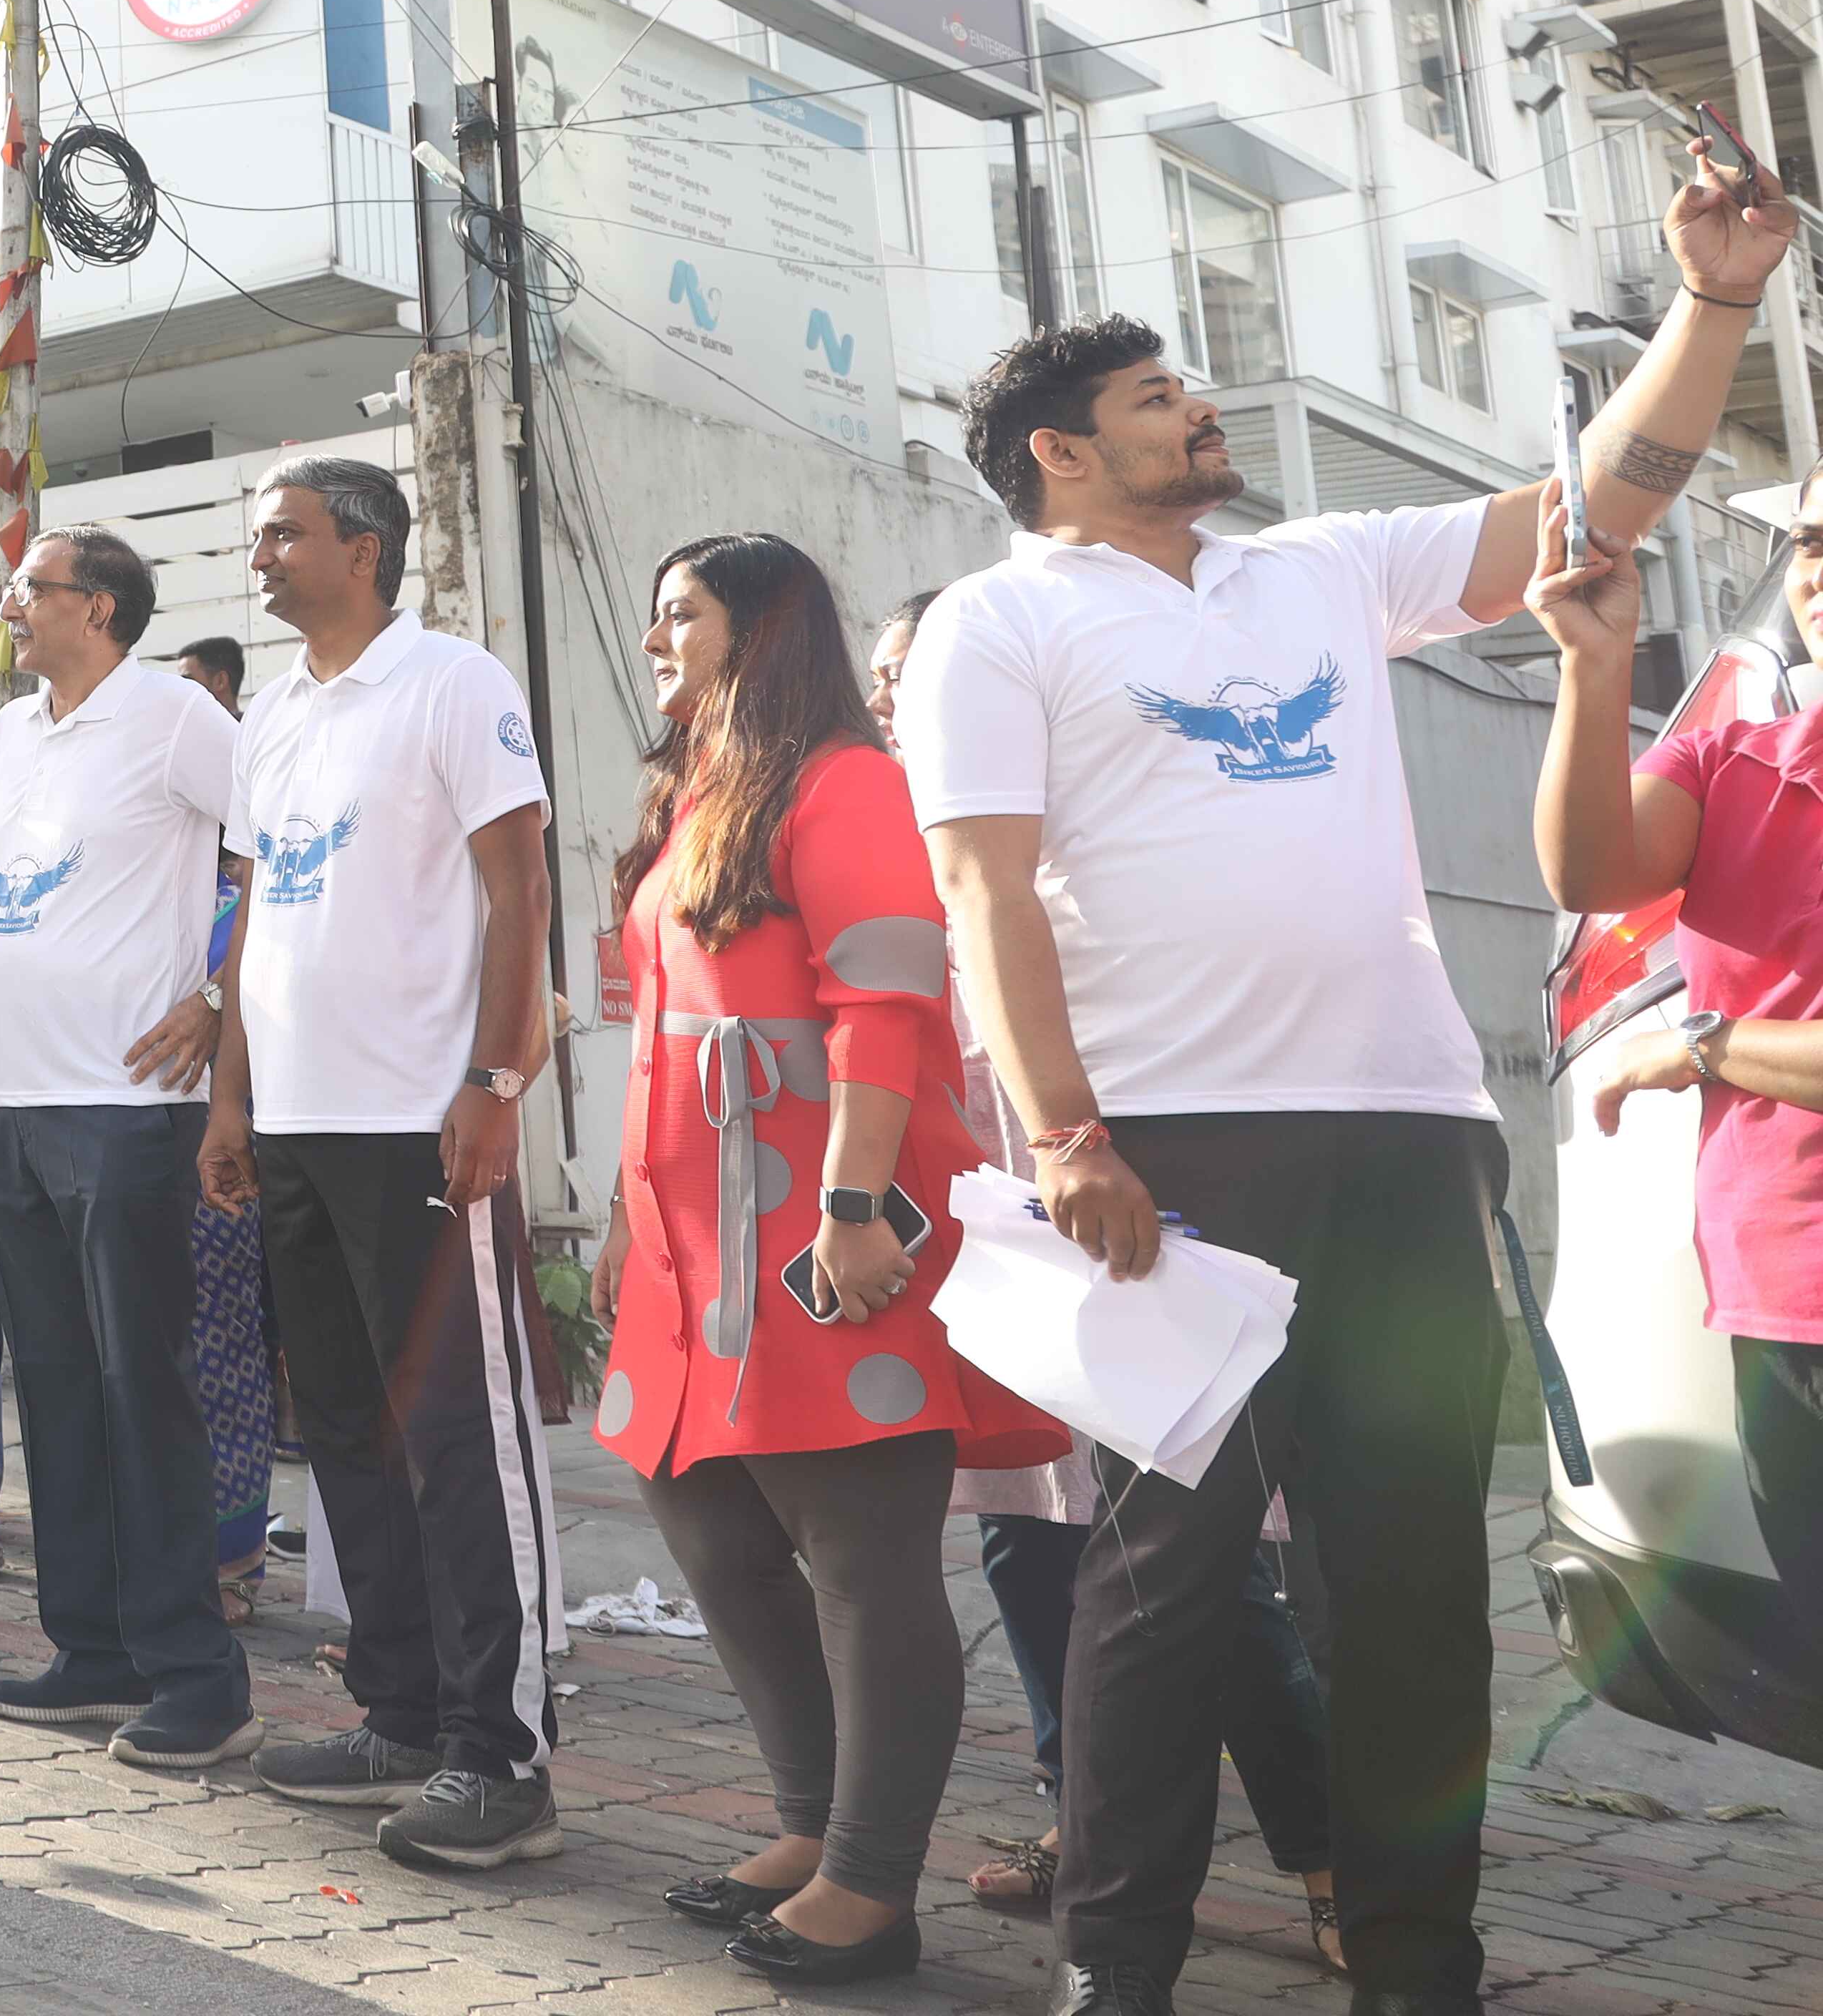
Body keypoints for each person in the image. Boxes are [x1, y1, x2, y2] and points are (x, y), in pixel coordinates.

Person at [903, 160, 1783, 2016]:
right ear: (1060, 455)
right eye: (1156, 398)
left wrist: (1713, 304)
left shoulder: (1318, 572)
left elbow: (1596, 503)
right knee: (1166, 1587)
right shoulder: (1004, 625)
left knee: (1408, 1593)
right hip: (1173, 1156)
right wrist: (1065, 1135)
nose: (1199, 408)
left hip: (1402, 1128)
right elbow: (984, 890)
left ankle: (1416, 1969)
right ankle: (1115, 1972)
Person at [598, 536, 1065, 1987]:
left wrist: (855, 1201)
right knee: (707, 1520)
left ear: (763, 627)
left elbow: (885, 999)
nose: (658, 632)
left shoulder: (845, 781)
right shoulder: (700, 791)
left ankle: (873, 1879)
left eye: (683, 609)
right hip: (690, 1235)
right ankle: (810, 1822)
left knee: (861, 1549)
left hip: (819, 1223)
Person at [877, 592, 1342, 1957]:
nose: (901, 700)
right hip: (1003, 1256)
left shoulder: (1055, 834)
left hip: (1125, 1229)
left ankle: (1331, 1865)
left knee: (1197, 1578)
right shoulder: (898, 846)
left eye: (913, 673)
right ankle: (1086, 1815)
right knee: (1028, 1546)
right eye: (884, 683)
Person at [220, 455, 572, 1875]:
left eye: (283, 532)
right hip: (297, 1126)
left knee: (459, 1443)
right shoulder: (272, 710)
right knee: (351, 1434)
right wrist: (231, 1099)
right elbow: (254, 918)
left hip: (421, 1125)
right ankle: (404, 1712)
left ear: (361, 547)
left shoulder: (450, 681)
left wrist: (496, 1080)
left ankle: (505, 1753)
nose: (262, 553)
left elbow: (521, 887)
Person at [0, 524, 258, 1761]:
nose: (13, 602)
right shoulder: (14, 732)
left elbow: (279, 853)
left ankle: (196, 1676)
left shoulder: (177, 718)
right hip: (16, 1108)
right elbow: (0, 905)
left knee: (141, 1391)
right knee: (54, 1386)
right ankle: (92, 1650)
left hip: (128, 1113)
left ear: (102, 608)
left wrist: (220, 1002)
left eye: (34, 587)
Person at [1530, 489, 1823, 1646]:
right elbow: (1589, 869)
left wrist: (1703, 1046)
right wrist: (1591, 670)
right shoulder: (1733, 761)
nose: (1818, 568)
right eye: (1808, 542)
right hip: (1785, 1288)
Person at [170, 631, 280, 1608]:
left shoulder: (251, 903)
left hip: (228, 1150)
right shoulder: (162, 892)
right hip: (132, 1138)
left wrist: (213, 999)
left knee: (224, 1348)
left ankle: (235, 1556)